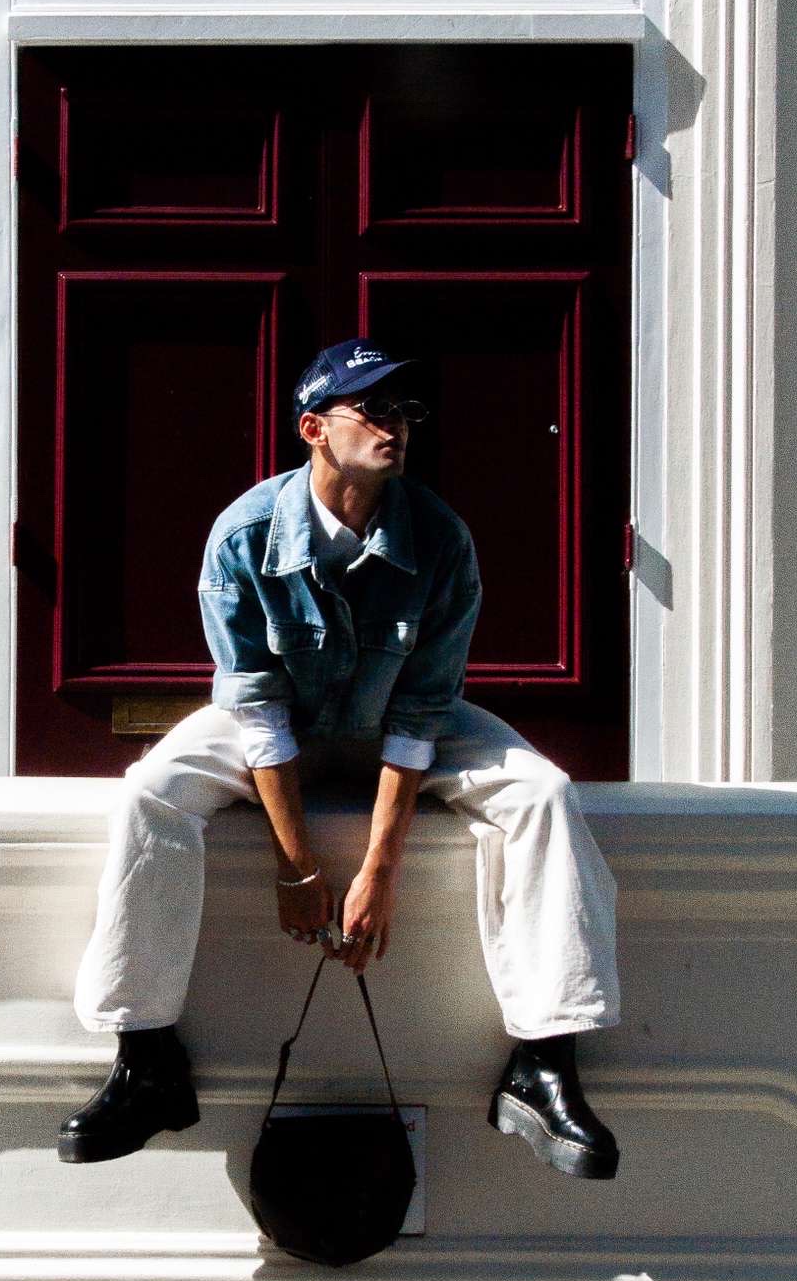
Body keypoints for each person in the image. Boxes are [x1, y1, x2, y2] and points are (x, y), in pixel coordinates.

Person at [59, 338, 621, 1181]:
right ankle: (146, 1061)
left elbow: (421, 712)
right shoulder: (245, 535)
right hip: (280, 724)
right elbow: (257, 713)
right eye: (375, 409)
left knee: (541, 792)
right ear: (313, 427)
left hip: (397, 716)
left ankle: (544, 1065)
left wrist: (379, 872)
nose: (397, 426)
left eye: (407, 411)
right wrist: (299, 868)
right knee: (150, 794)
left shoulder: (440, 539)